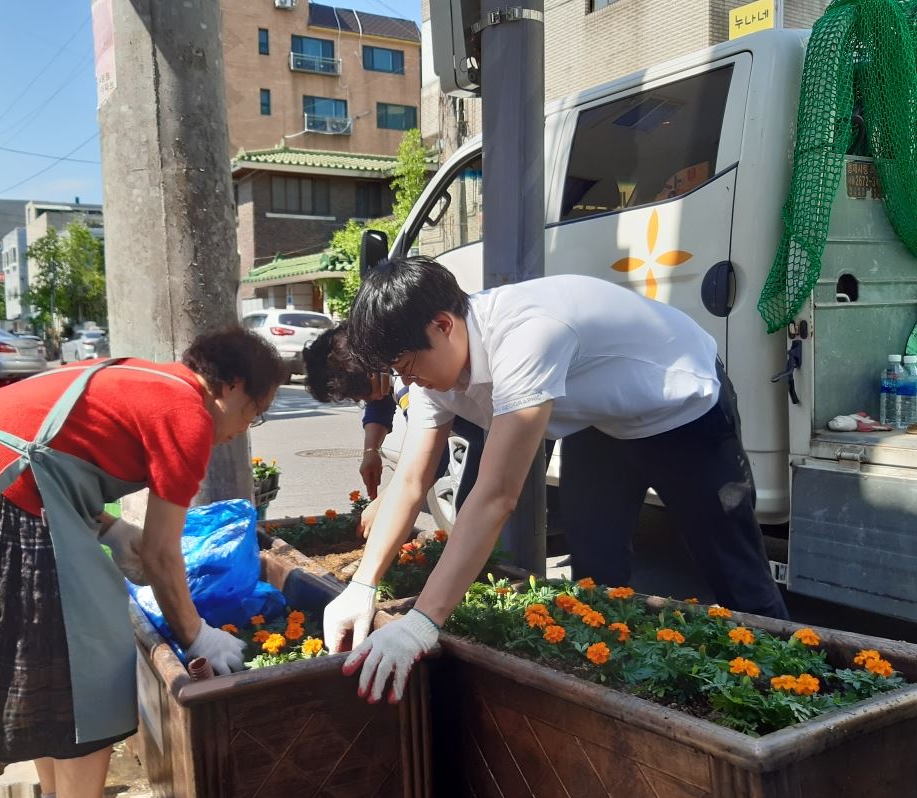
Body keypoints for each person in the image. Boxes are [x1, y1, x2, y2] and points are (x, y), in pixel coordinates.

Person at [324, 256, 789, 704]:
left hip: (683, 407)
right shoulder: (431, 371)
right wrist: (362, 586)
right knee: (595, 574)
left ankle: (786, 685)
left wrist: (423, 623)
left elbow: (496, 495)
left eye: (409, 368)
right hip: (602, 422)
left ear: (443, 325)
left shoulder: (527, 334)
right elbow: (410, 481)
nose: (412, 383)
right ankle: (617, 695)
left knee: (736, 573)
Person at [0, 328, 285, 798]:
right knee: (91, 660)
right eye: (252, 413)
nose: (240, 432)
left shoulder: (144, 376)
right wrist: (199, 637)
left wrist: (105, 528)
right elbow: (162, 555)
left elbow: (50, 450)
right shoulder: (188, 412)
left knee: (50, 662)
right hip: (6, 494)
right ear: (231, 387)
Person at [302, 324, 484, 530]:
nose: (362, 400)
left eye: (358, 395)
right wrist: (371, 451)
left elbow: (430, 459)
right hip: (484, 432)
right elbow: (380, 401)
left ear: (372, 373)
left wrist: (384, 505)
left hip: (493, 434)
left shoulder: (410, 383)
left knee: (475, 517)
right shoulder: (382, 362)